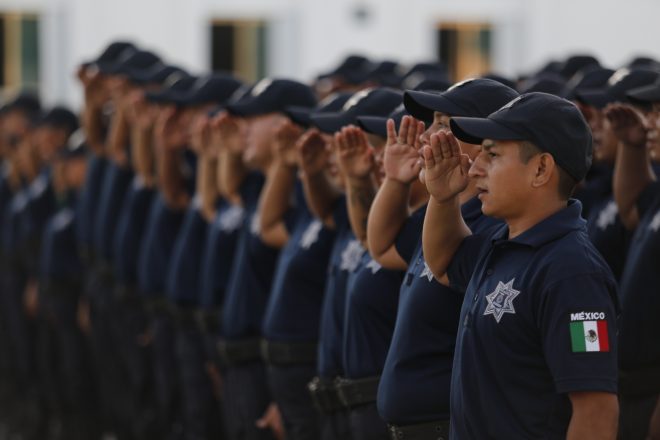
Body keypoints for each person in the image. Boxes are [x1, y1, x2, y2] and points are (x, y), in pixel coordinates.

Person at [422, 92, 619, 439]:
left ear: (541, 169)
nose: (475, 167)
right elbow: (443, 261)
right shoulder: (503, 244)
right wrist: (442, 197)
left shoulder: (574, 274)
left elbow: (596, 410)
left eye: (493, 155)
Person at [366, 78, 517, 439]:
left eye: (445, 125)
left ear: (484, 140)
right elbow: (383, 248)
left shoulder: (494, 224)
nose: (426, 134)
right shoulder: (443, 212)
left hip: (445, 425)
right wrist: (395, 181)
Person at [605, 80, 660, 440]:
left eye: (658, 113)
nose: (650, 122)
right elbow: (631, 207)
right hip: (633, 385)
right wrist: (631, 145)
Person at [573, 68, 659, 280]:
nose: (594, 127)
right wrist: (630, 145)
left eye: (605, 116)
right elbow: (631, 209)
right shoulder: (608, 184)